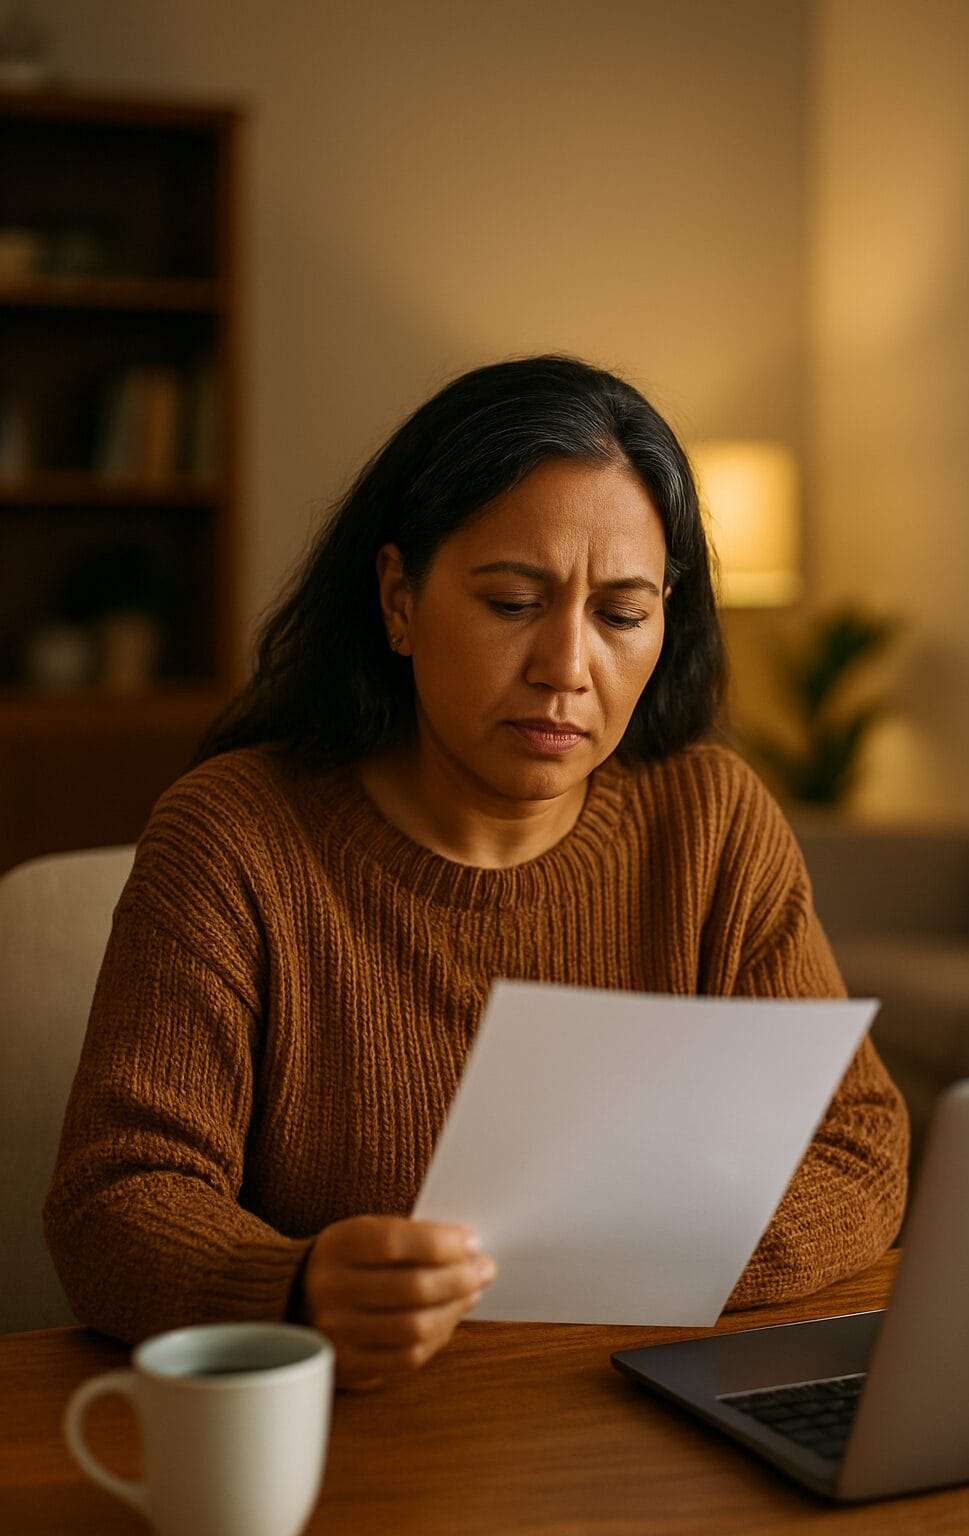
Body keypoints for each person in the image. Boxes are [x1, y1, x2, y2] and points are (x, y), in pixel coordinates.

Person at [44, 355, 908, 1391]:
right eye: (510, 602)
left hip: (643, 1412)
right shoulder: (234, 835)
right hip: (366, 1419)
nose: (567, 667)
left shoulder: (712, 821)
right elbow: (118, 1202)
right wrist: (293, 1287)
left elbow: (857, 1147)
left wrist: (641, 1273)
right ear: (399, 599)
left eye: (621, 615)